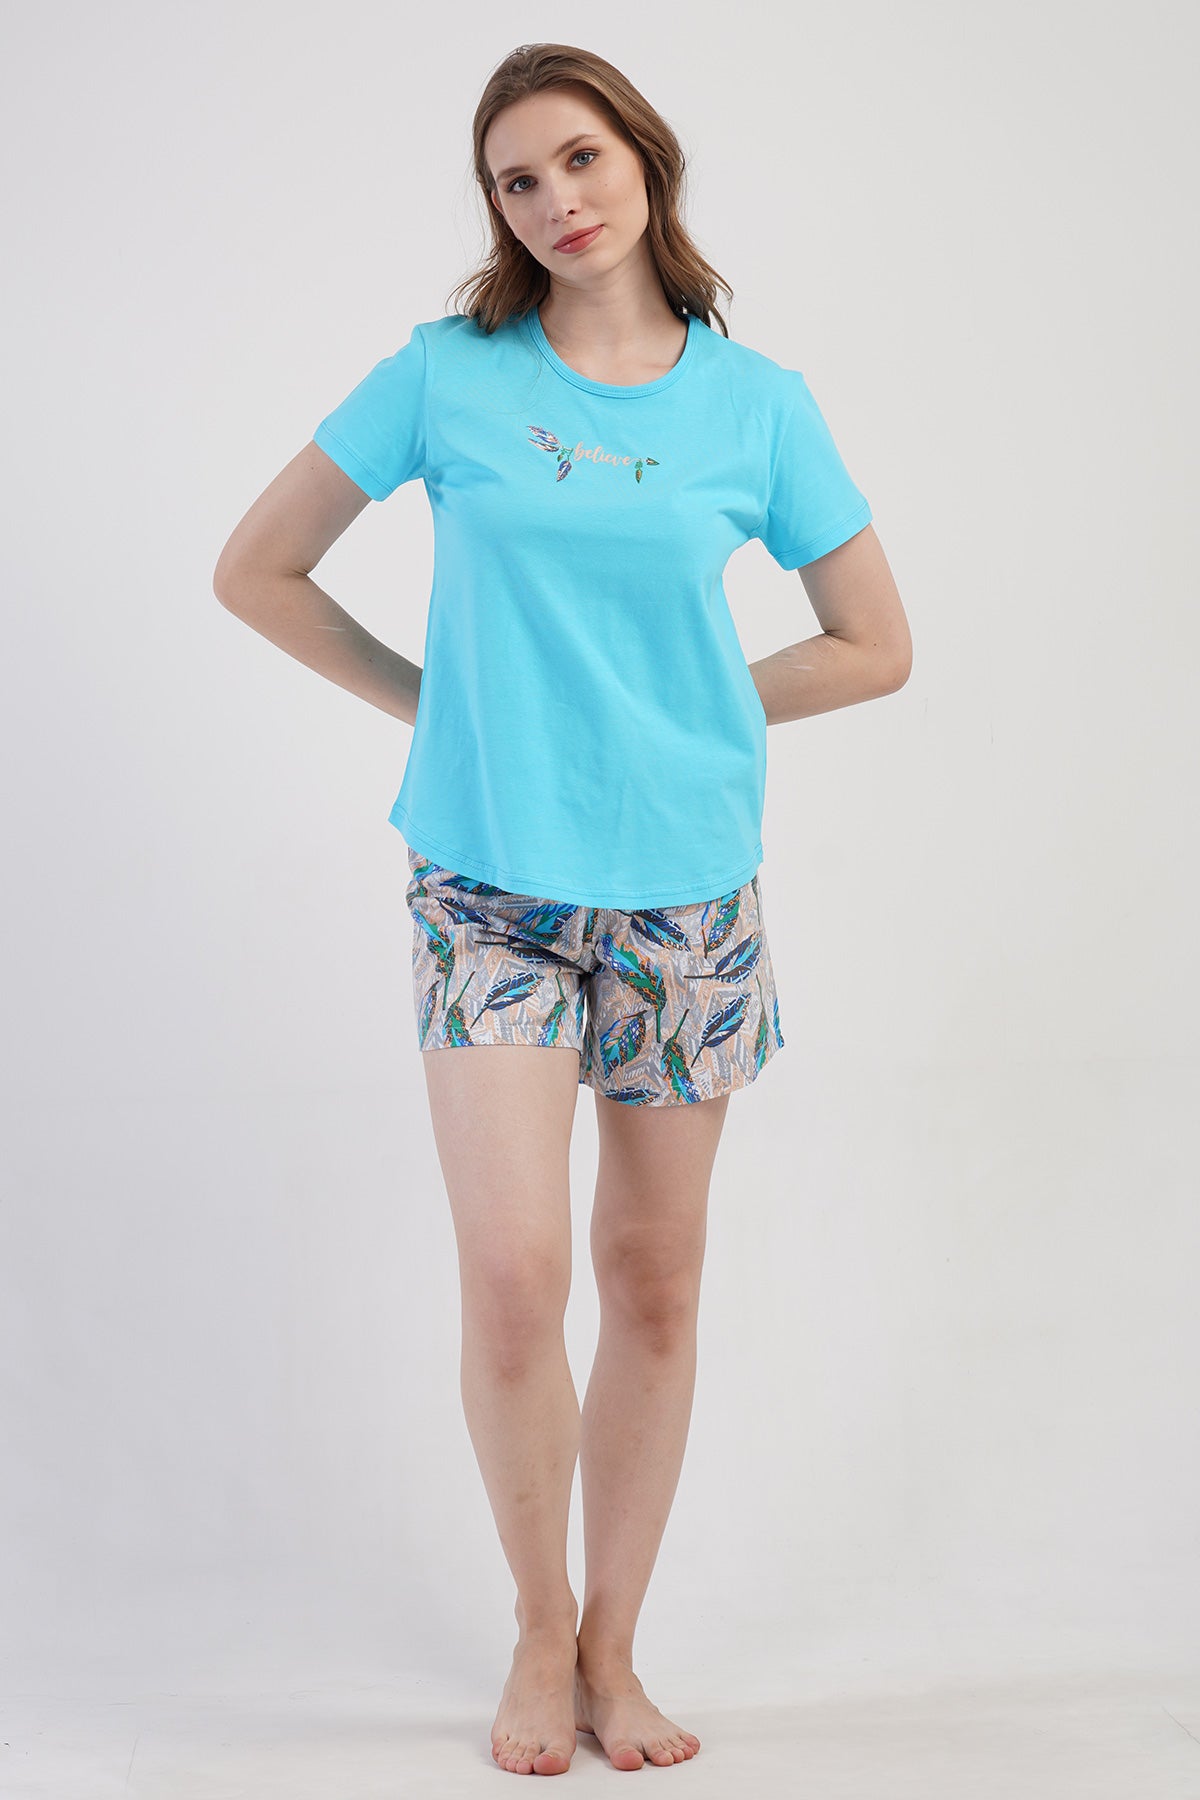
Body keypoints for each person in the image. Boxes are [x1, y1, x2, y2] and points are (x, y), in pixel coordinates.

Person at [213, 40, 911, 1779]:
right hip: (488, 888)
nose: (555, 200)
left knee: (652, 1282)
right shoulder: (445, 376)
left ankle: (614, 1647)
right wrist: (438, 708)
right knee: (519, 1276)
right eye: (516, 180)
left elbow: (875, 644)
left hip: (686, 902)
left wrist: (698, 710)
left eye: (580, 158)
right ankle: (537, 1628)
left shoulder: (759, 405)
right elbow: (256, 569)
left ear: (645, 160)